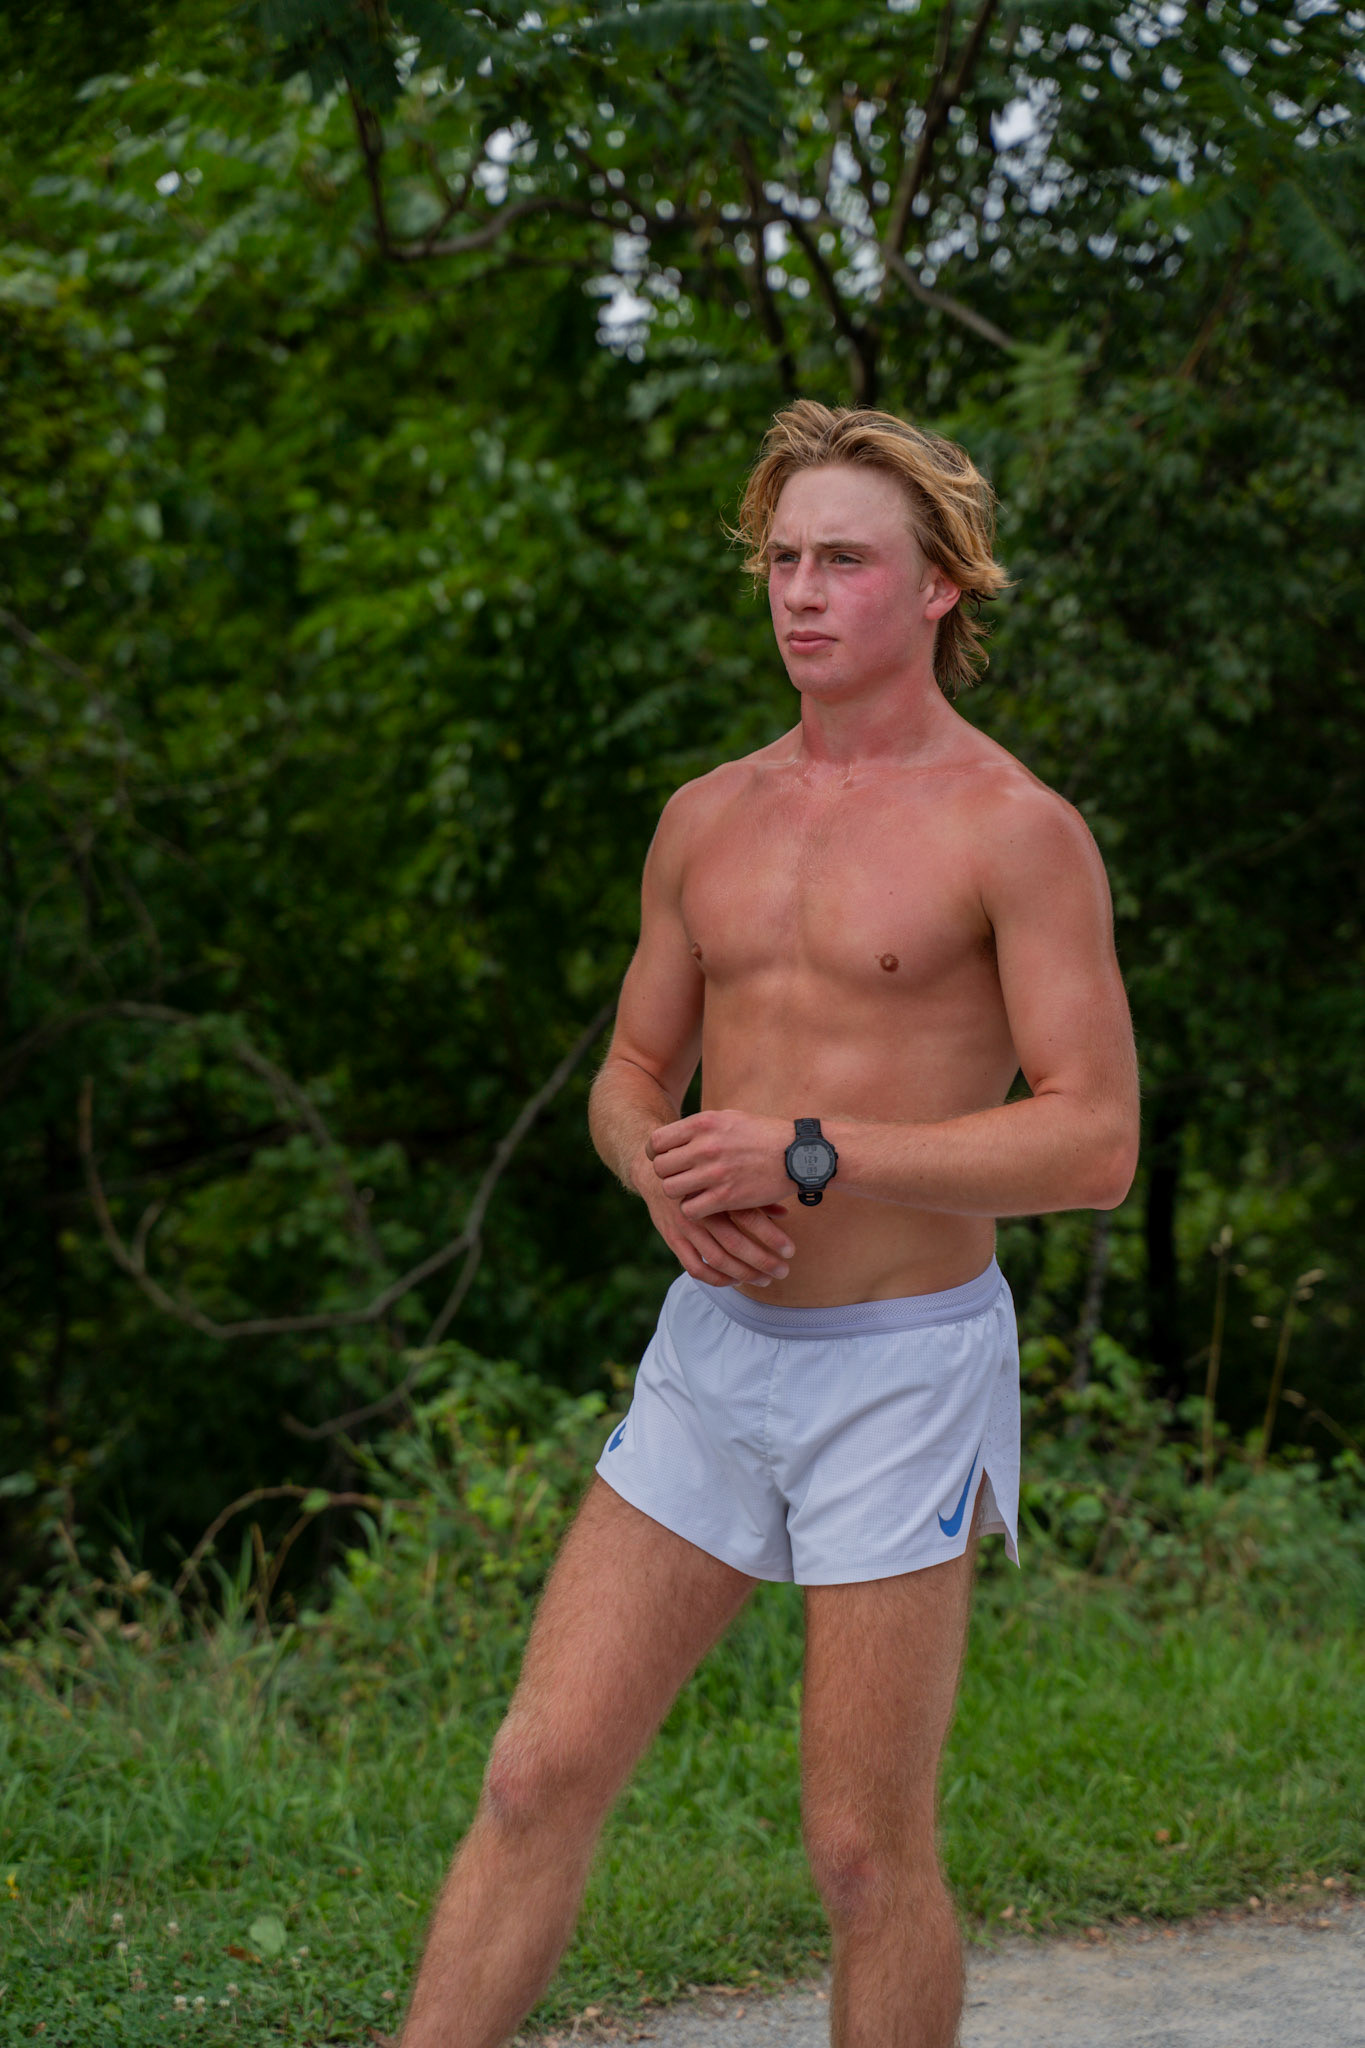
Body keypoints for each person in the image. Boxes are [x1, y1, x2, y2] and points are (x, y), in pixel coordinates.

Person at [399, 401, 1140, 2048]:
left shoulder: (1013, 830)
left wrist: (813, 1154)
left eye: (844, 562)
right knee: (534, 1773)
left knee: (864, 1857)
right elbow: (630, 1077)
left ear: (939, 586)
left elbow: (1094, 1142)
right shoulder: (706, 816)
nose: (802, 593)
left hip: (901, 1369)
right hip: (714, 1355)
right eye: (783, 560)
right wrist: (654, 1173)